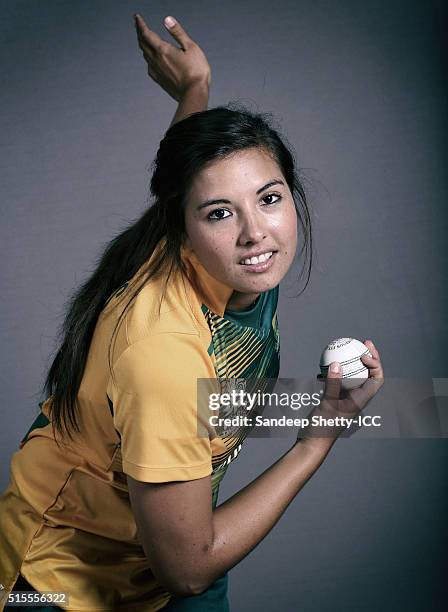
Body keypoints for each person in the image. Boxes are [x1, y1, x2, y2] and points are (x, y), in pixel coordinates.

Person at [0, 13, 384, 612]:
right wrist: (319, 433)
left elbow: (183, 182)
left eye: (270, 197)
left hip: (171, 532)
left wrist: (192, 90)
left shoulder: (234, 262)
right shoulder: (165, 357)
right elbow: (189, 569)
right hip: (62, 584)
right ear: (186, 229)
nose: (256, 234)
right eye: (220, 214)